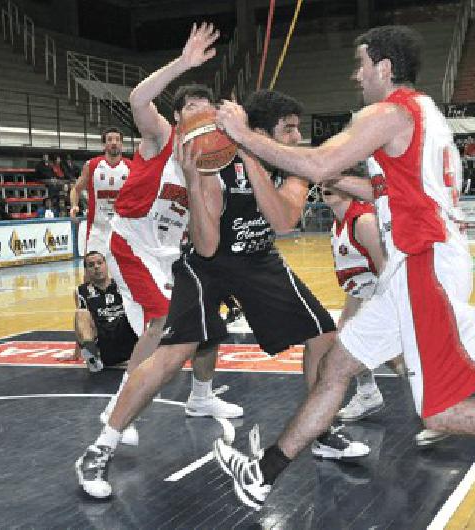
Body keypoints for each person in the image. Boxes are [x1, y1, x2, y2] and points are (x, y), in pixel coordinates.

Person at [213, 25, 475, 523]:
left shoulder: (386, 112)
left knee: (439, 412)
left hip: (424, 266)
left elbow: (319, 162)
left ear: (384, 67)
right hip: (416, 266)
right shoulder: (424, 113)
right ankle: (263, 476)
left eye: (361, 64)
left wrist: (244, 135)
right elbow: (384, 188)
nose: (355, 74)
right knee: (338, 367)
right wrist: (337, 178)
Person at [75, 49, 366, 498]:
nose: (298, 134)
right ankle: (99, 448)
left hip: (257, 259)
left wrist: (254, 156)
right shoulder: (212, 157)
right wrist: (196, 180)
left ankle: (321, 432)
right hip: (207, 265)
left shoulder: (294, 164)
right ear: (267, 129)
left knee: (324, 335)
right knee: (171, 354)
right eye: (288, 127)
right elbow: (207, 245)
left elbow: (285, 220)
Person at [74, 24, 244, 481]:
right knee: (161, 319)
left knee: (208, 320)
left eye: (204, 110)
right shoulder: (161, 136)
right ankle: (116, 407)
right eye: (190, 107)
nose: (198, 115)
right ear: (179, 115)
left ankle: (201, 395)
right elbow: (136, 100)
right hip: (130, 241)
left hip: (170, 253)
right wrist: (184, 64)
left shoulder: (211, 161)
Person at [324, 184, 448, 446]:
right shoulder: (338, 223)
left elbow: (387, 270)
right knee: (346, 339)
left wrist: (387, 312)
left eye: (332, 183)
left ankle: (437, 413)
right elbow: (358, 275)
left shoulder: (364, 221)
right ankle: (368, 393)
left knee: (399, 360)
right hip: (363, 294)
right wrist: (351, 312)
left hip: (387, 294)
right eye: (323, 184)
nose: (326, 188)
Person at [74, 251, 140, 372]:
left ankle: (146, 351)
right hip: (103, 344)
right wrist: (76, 353)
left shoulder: (122, 285)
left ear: (106, 264)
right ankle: (92, 358)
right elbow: (80, 327)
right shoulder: (81, 291)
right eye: (91, 265)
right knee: (80, 313)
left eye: (100, 263)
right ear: (86, 270)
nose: (96, 267)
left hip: (126, 336)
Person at [69, 128, 131, 256]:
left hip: (122, 231)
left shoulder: (131, 167)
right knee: (93, 272)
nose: (114, 142)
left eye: (117, 140)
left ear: (122, 144)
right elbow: (76, 189)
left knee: (121, 275)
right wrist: (74, 205)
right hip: (97, 231)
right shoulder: (92, 165)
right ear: (104, 145)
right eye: (110, 139)